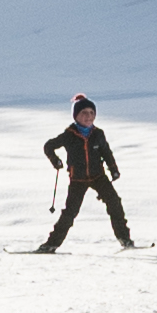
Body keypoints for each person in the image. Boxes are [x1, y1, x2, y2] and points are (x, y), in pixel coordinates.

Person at [40, 96, 132, 252]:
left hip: (99, 177)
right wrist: (55, 161)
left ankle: (125, 239)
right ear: (76, 116)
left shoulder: (98, 134)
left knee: (115, 204)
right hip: (78, 180)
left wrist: (114, 169)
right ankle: (51, 244)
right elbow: (48, 146)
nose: (88, 116)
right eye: (84, 113)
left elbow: (106, 153)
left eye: (91, 112)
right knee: (70, 213)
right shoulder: (69, 135)